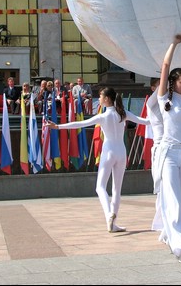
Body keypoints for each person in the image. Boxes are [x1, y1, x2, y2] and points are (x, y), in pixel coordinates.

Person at [45, 87, 149, 233]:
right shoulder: (123, 114)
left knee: (100, 186)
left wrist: (57, 126)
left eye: (100, 96)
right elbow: (145, 121)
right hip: (121, 152)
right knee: (116, 190)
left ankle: (108, 215)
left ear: (107, 99)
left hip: (108, 152)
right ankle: (113, 223)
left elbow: (79, 124)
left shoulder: (103, 116)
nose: (98, 99)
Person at [154, 31, 181, 264]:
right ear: (173, 83)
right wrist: (174, 43)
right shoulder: (164, 99)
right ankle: (180, 245)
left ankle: (174, 236)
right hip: (169, 153)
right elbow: (166, 65)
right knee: (173, 198)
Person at [146, 77, 164, 232]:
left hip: (172, 148)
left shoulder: (168, 105)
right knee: (161, 186)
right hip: (159, 149)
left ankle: (163, 220)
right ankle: (160, 221)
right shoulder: (151, 104)